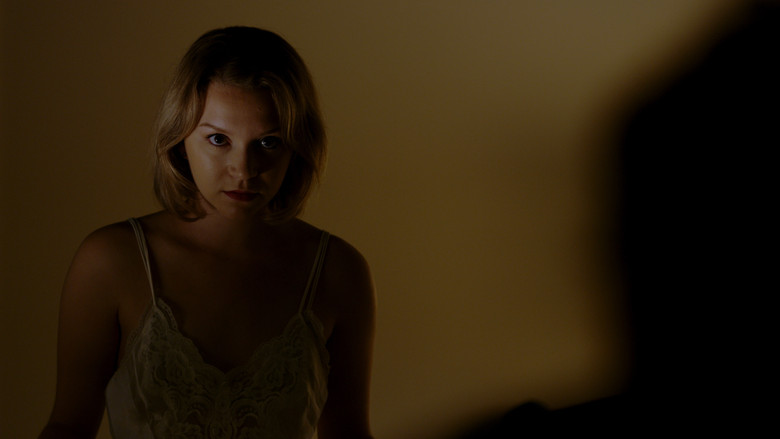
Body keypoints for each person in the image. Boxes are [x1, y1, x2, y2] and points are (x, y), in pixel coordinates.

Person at [39, 26, 375, 439]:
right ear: (180, 139)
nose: (244, 169)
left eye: (268, 143)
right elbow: (68, 427)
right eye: (218, 139)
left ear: (297, 145)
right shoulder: (111, 261)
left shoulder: (338, 272)